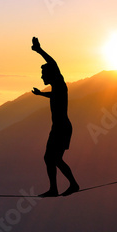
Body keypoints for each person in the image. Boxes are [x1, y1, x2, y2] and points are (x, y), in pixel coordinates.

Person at [31, 37, 79, 197]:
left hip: (62, 128)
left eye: (43, 74)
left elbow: (54, 64)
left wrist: (39, 50)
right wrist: (41, 94)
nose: (42, 77)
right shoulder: (57, 88)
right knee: (50, 158)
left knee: (54, 158)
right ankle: (57, 188)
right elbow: (54, 95)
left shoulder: (59, 82)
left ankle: (70, 185)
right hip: (59, 128)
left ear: (50, 75)